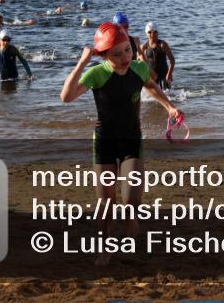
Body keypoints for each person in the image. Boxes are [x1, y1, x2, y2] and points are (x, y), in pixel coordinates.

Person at [60, 22, 180, 266]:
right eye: (116, 54)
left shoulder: (138, 68)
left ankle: (131, 218)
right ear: (104, 55)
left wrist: (169, 107)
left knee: (131, 201)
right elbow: (66, 97)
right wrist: (82, 62)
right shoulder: (97, 73)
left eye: (127, 50)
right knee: (106, 204)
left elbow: (151, 86)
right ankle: (105, 247)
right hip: (104, 142)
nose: (125, 57)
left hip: (131, 140)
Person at [140, 21, 175, 90]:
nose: (152, 34)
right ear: (146, 33)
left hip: (163, 75)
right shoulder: (144, 46)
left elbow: (172, 60)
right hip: (152, 75)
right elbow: (140, 61)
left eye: (155, 32)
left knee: (166, 94)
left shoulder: (162, 44)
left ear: (158, 32)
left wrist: (169, 74)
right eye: (149, 32)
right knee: (152, 94)